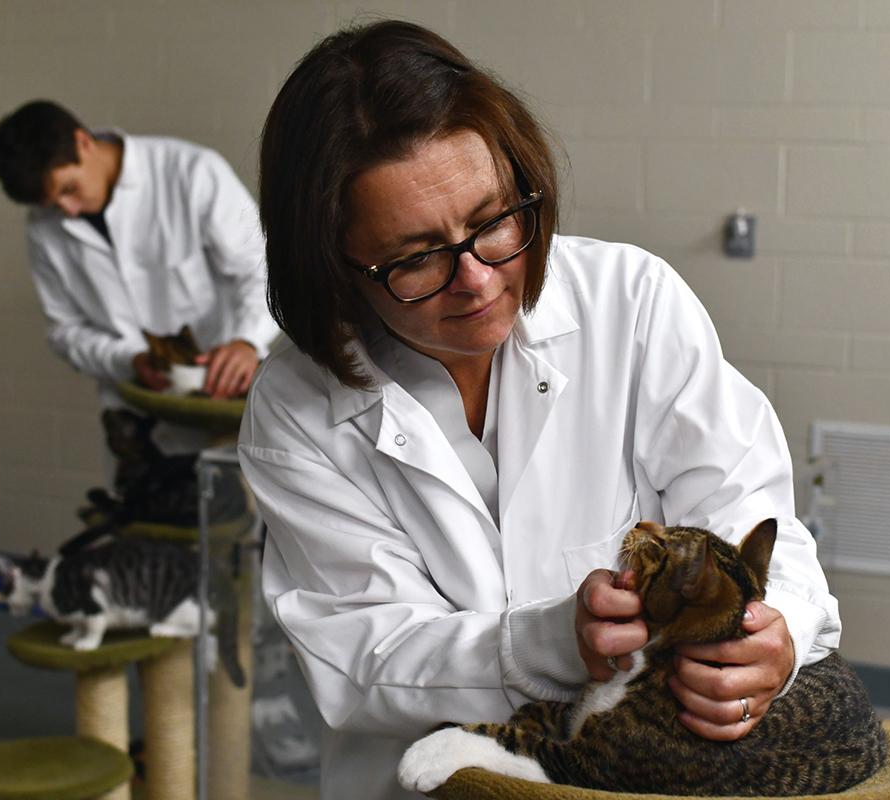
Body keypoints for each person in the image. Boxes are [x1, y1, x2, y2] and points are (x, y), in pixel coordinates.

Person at [238, 21, 841, 800]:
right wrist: (548, 645)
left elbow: (753, 518)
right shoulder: (295, 408)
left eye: (493, 222)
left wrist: (771, 635)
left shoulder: (632, 303)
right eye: (416, 258)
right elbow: (362, 657)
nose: (478, 280)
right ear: (334, 267)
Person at [0, 100, 280, 451]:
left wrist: (247, 340)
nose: (68, 211)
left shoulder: (192, 172)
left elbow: (265, 270)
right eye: (52, 204)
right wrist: (129, 359)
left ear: (83, 141)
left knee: (224, 482)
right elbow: (65, 330)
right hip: (132, 417)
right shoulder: (42, 226)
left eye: (68, 189)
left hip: (227, 405)